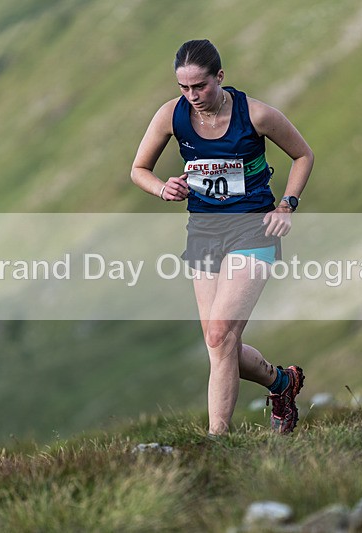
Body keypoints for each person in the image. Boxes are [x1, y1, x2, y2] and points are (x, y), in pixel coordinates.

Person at [131, 39, 314, 436]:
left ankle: (218, 442)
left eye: (201, 86)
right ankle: (282, 383)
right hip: (203, 233)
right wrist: (163, 188)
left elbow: (304, 155)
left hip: (252, 228)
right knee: (220, 346)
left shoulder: (257, 115)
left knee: (219, 334)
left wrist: (287, 205)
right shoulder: (172, 116)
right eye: (184, 88)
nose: (193, 96)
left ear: (220, 77)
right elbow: (139, 169)